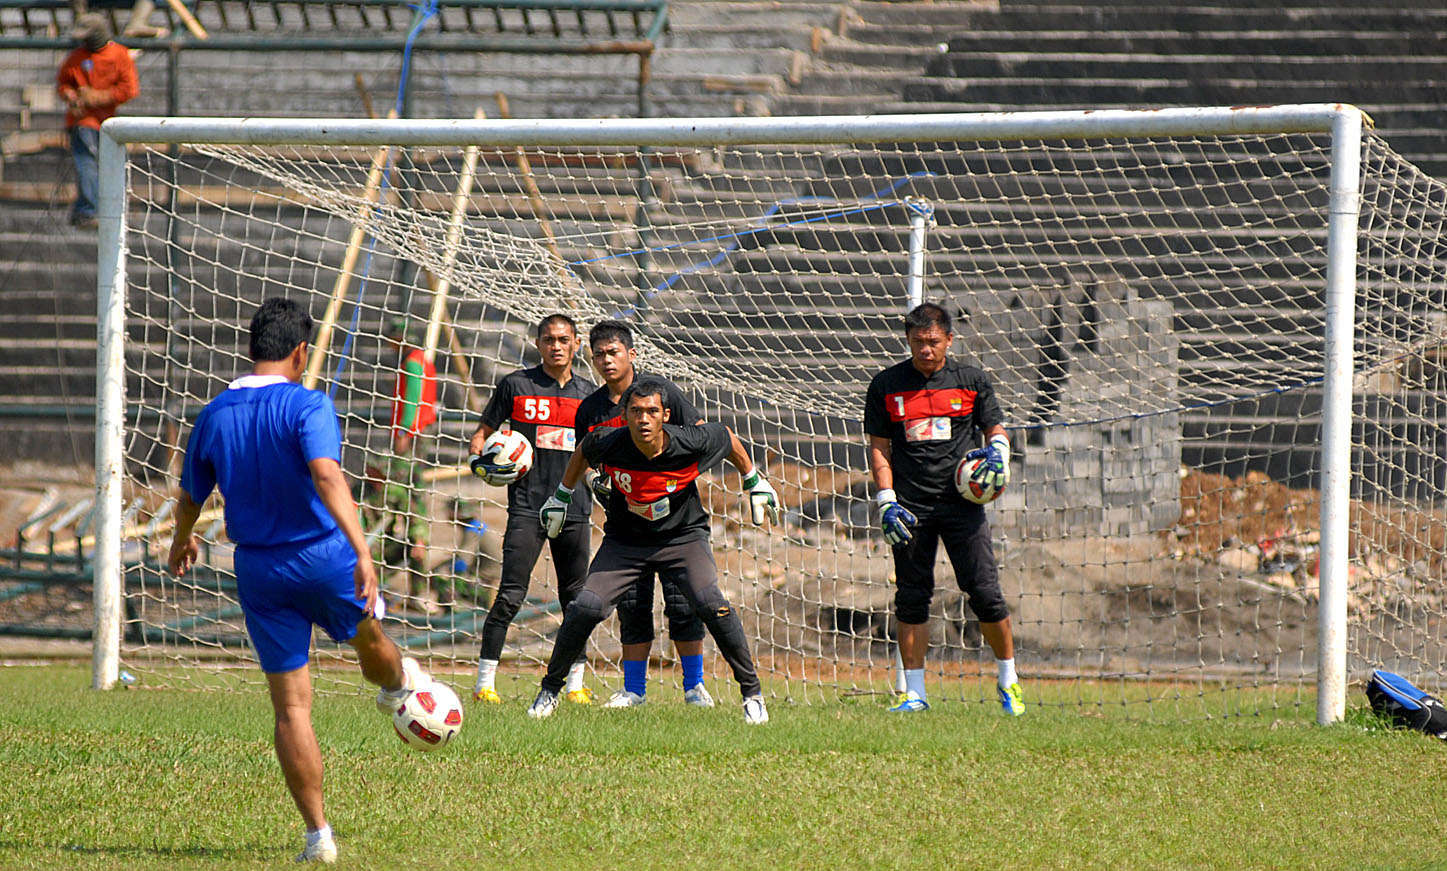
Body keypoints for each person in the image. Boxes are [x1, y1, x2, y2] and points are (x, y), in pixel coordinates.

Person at [166, 297, 431, 864]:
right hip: (324, 556)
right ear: (301, 351)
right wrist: (363, 550)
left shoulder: (213, 413)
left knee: (291, 709)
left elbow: (191, 493)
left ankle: (319, 837)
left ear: (249, 349)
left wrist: (181, 537)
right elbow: (327, 473)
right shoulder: (309, 404)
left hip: (259, 568)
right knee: (368, 639)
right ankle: (394, 688)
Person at [527, 376, 777, 724]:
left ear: (666, 415)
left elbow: (727, 438)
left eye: (651, 411)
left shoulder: (691, 441)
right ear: (625, 416)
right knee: (585, 606)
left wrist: (754, 480)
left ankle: (752, 696)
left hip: (682, 539)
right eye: (636, 412)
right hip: (625, 541)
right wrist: (561, 496)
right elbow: (584, 449)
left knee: (711, 603)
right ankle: (549, 692)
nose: (643, 419)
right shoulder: (608, 441)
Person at [863, 302, 1024, 716]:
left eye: (933, 342)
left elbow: (995, 428)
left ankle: (1009, 681)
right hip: (909, 509)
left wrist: (999, 454)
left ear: (949, 340)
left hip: (962, 507)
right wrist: (886, 500)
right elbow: (879, 450)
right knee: (912, 598)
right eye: (917, 342)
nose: (926, 350)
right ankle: (914, 693)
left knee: (985, 593)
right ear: (908, 340)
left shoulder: (971, 380)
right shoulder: (886, 385)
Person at [574, 320, 714, 709]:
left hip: (676, 525)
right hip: (625, 528)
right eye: (599, 353)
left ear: (631, 354)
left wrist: (677, 477)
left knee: (684, 602)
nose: (606, 360)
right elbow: (584, 457)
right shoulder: (590, 408)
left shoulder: (662, 392)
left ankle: (694, 687)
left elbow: (701, 435)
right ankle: (634, 690)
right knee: (633, 605)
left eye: (613, 352)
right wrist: (592, 480)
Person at [467, 313, 597, 705]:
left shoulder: (589, 397)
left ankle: (575, 686)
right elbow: (481, 436)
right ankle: (484, 685)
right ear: (538, 344)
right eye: (548, 339)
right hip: (526, 507)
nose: (556, 346)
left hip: (574, 508)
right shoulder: (516, 385)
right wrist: (481, 461)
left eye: (563, 339)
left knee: (578, 600)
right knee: (509, 595)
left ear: (576, 344)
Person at [361, 318, 439, 612]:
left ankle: (413, 585)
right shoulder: (420, 359)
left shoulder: (412, 362)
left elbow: (412, 401)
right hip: (418, 432)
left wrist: (404, 433)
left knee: (407, 490)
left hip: (414, 433)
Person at [56, 13, 139, 229]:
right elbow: (63, 84)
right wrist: (71, 96)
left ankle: (106, 208)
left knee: (109, 165)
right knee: (86, 163)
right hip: (82, 122)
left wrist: (99, 96)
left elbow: (129, 89)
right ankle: (87, 211)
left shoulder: (118, 55)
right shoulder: (76, 57)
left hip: (109, 125)